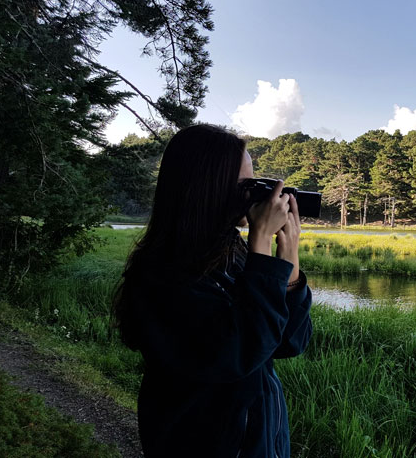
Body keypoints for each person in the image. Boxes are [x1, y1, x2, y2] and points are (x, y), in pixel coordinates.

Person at [111, 124, 313, 457]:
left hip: (261, 442)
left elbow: (289, 342)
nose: (252, 196)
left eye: (254, 185)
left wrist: (288, 256)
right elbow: (238, 354)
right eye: (243, 185)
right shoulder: (163, 274)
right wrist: (261, 244)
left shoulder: (231, 251)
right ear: (205, 187)